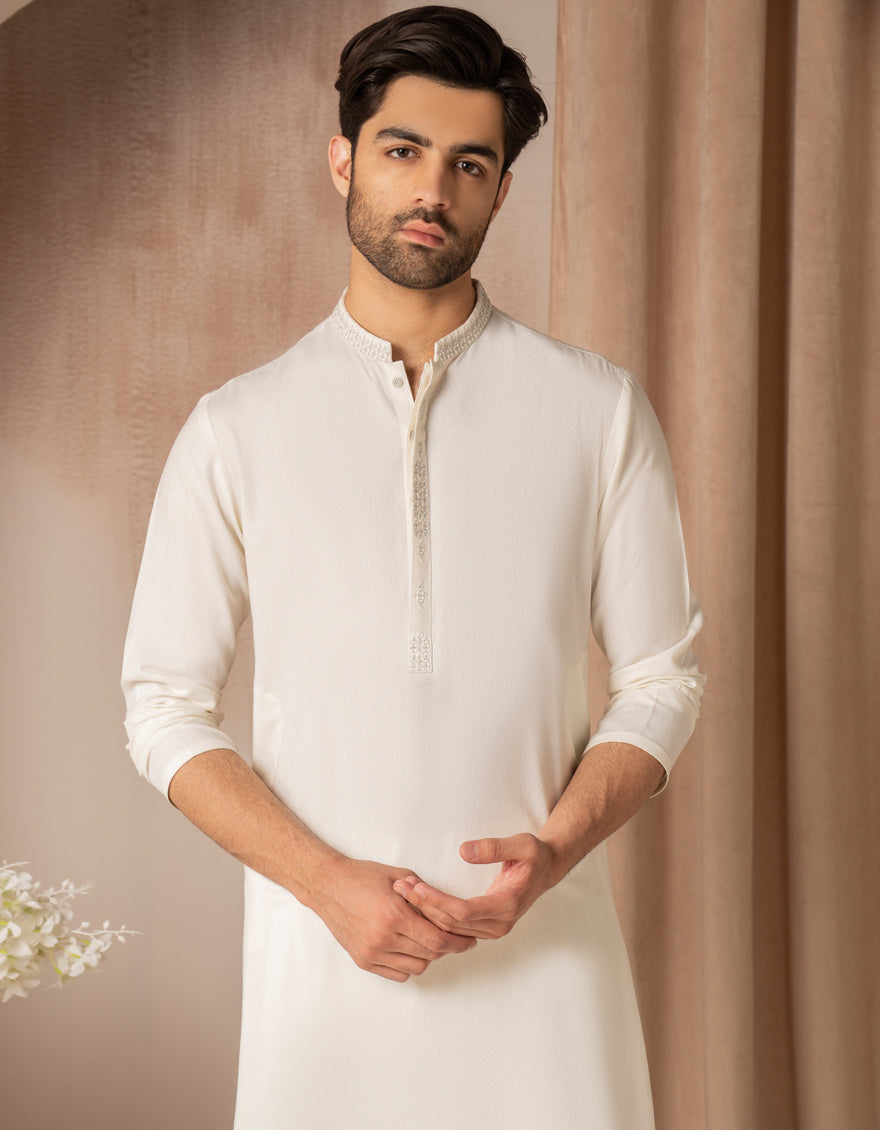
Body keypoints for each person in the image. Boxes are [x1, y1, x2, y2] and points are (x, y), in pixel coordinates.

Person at [122, 6, 705, 1128]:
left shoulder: (595, 409)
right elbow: (161, 704)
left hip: (548, 964)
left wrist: (554, 851)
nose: (432, 188)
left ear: (500, 190)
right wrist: (325, 883)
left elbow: (663, 675)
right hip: (321, 973)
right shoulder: (236, 428)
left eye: (468, 164)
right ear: (344, 159)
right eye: (402, 150)